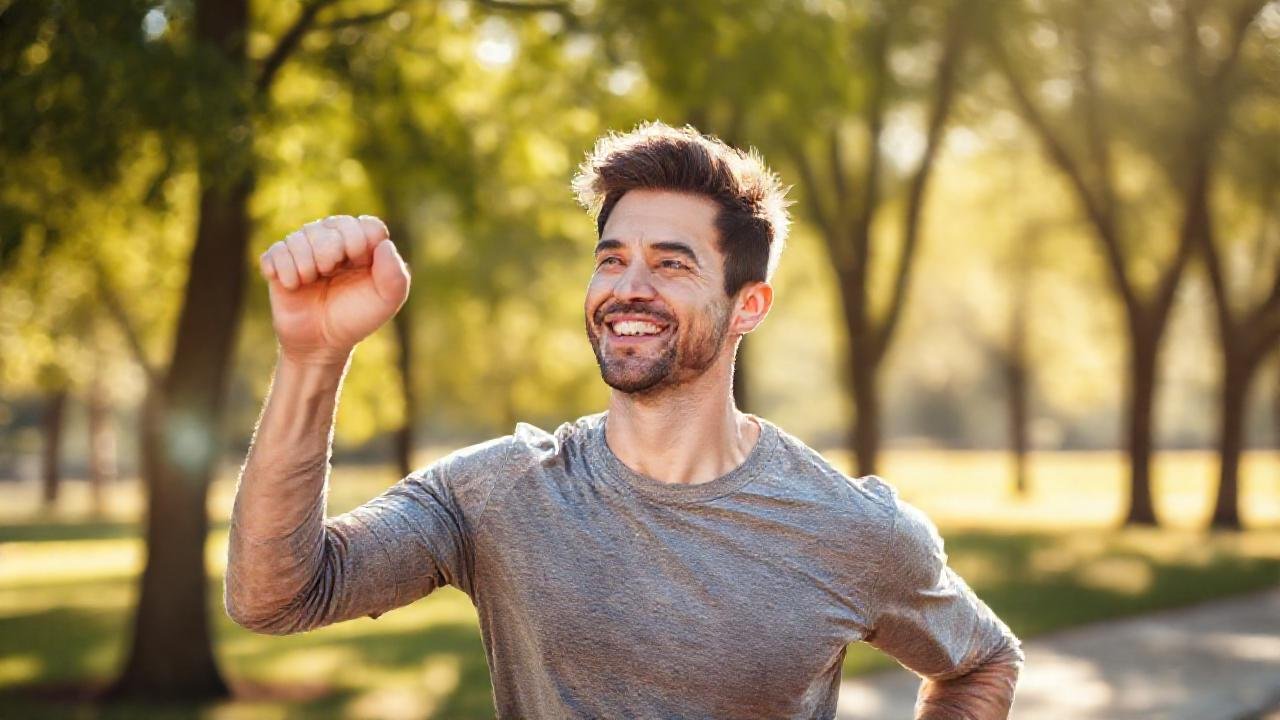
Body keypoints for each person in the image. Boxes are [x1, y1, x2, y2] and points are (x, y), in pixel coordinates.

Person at [225, 121, 1023, 719]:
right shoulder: (497, 494)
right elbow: (275, 598)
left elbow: (982, 662)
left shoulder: (848, 529)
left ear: (749, 305)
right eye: (611, 259)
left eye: (671, 264)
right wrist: (314, 355)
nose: (628, 287)